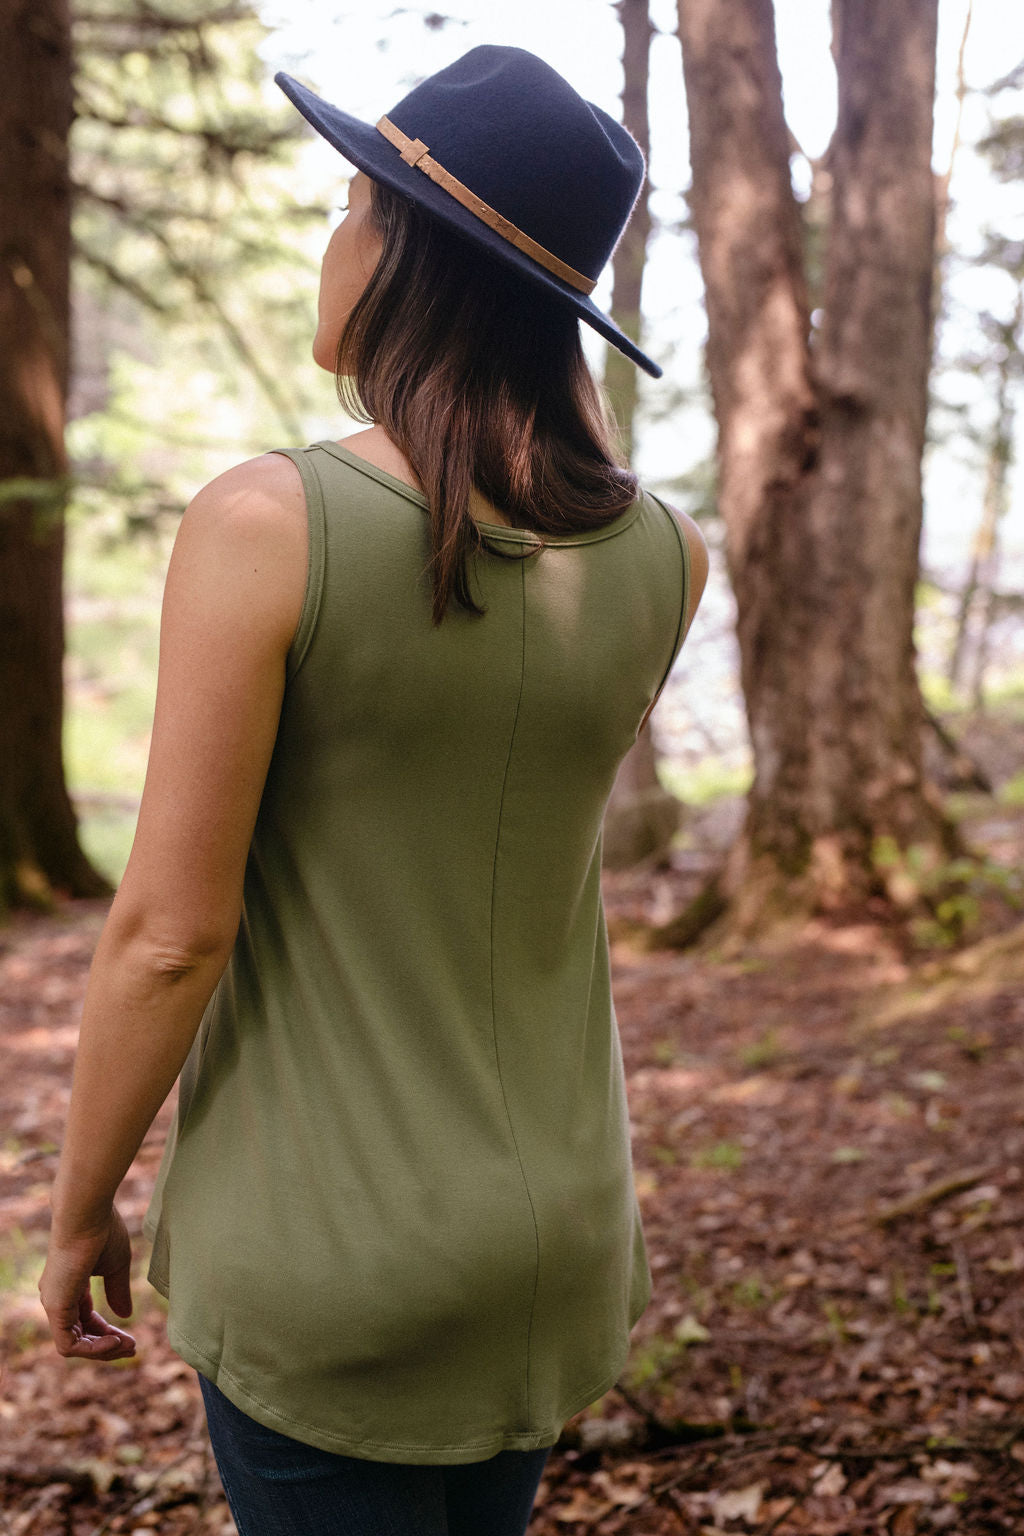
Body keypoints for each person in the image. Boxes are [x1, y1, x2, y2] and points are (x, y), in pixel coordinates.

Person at [39, 43, 709, 1536]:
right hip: (556, 1243)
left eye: (351, 209)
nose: (331, 243)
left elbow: (169, 934)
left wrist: (80, 1206)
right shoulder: (669, 556)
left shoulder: (266, 523)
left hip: (330, 1246)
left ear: (411, 256)